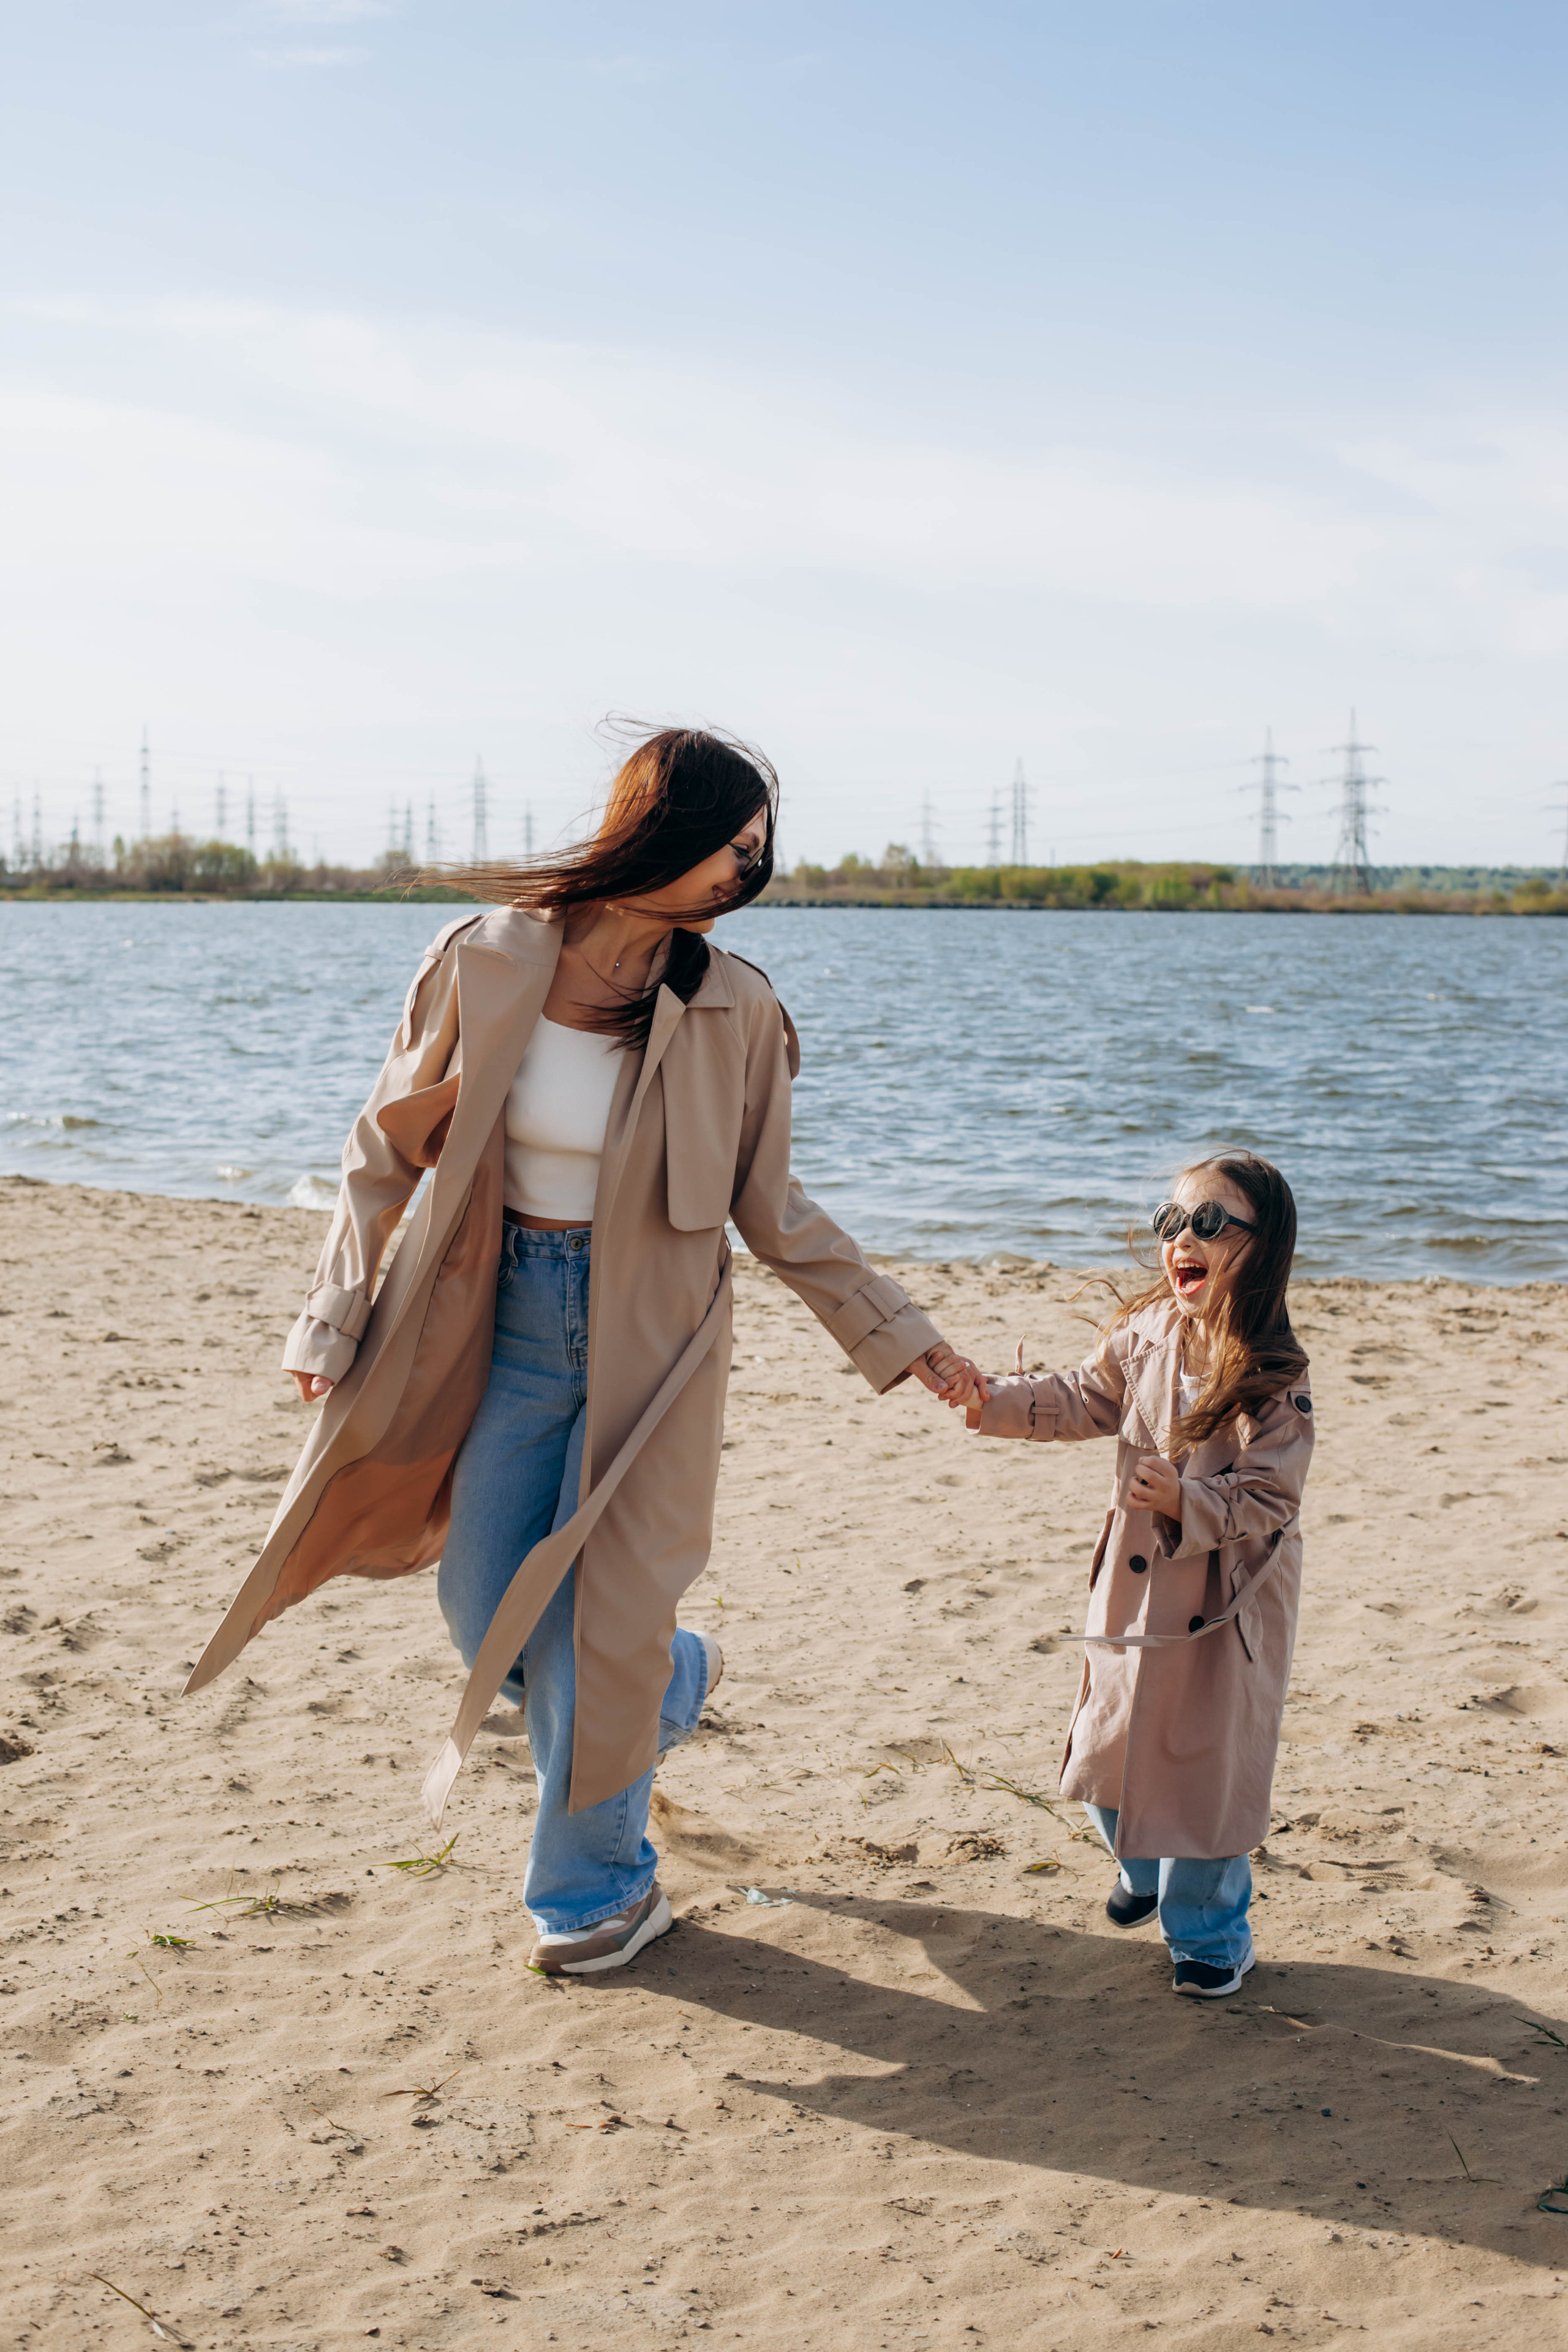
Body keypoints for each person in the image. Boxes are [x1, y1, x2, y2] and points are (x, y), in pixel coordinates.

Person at [184, 726, 986, 1977]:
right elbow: (381, 1152)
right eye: (732, 844)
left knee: (589, 1634)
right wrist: (336, 1311)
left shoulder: (735, 1007)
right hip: (494, 1326)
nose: (746, 874)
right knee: (482, 1607)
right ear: (657, 829)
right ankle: (674, 1684)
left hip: (653, 1351)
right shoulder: (485, 962)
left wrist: (897, 1335)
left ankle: (600, 1893)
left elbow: (771, 1210)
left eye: (759, 856)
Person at [956, 1152, 1312, 1997]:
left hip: (1227, 1601)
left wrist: (1190, 1498)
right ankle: (1138, 1866)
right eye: (1171, 1222)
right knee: (1105, 1739)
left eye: (1209, 1223)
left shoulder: (1275, 1373)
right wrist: (991, 1400)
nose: (1181, 1238)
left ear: (1260, 1249)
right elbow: (1084, 1397)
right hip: (1138, 1580)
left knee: (1206, 1770)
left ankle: (1211, 1936)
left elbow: (1273, 1493)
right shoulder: (1148, 1334)